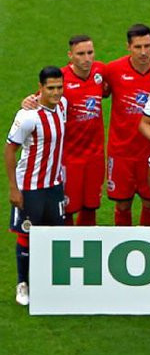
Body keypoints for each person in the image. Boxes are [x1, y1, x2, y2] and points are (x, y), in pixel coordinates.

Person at [6, 67, 68, 306]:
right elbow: (10, 150)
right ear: (40, 88)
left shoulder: (62, 107)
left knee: (53, 235)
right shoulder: (27, 116)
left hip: (54, 186)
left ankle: (48, 283)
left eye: (59, 87)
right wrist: (14, 188)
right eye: (50, 88)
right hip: (30, 187)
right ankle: (23, 284)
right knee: (26, 234)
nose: (55, 92)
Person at [103, 23, 150, 226]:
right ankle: (122, 244)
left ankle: (147, 245)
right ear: (128, 47)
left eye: (147, 46)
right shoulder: (113, 70)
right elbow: (92, 86)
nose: (143, 52)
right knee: (122, 204)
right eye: (138, 47)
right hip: (121, 151)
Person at [60, 34, 107, 226]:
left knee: (91, 207)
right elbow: (41, 99)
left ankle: (86, 252)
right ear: (70, 55)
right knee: (67, 209)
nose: (87, 58)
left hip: (95, 157)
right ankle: (67, 251)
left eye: (90, 52)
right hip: (69, 158)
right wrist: (29, 100)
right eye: (80, 54)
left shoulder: (100, 71)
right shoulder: (60, 79)